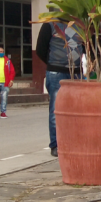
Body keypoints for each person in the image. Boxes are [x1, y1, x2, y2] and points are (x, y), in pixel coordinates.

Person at [36, 19, 84, 157]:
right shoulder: (50, 24)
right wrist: (54, 63)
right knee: (56, 110)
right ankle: (55, 145)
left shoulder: (80, 24)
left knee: (77, 111)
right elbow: (40, 49)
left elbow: (87, 47)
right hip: (56, 73)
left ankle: (74, 142)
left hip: (77, 73)